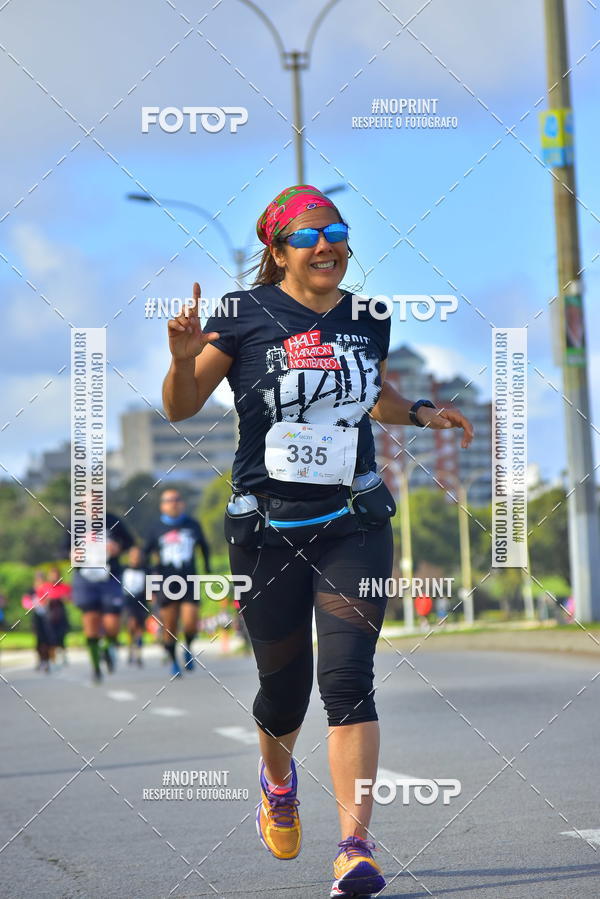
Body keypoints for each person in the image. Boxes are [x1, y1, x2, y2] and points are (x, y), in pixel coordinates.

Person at [162, 184, 474, 898]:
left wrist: (422, 412)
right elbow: (181, 406)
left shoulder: (369, 316)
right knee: (284, 693)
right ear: (278, 251)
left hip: (353, 520)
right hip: (265, 529)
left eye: (336, 230)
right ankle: (277, 779)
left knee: (347, 681)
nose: (328, 243)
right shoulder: (242, 313)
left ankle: (356, 846)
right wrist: (183, 360)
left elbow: (371, 393)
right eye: (309, 234)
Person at [144, 489, 211, 677]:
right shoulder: (155, 528)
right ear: (162, 505)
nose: (173, 503)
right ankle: (173, 661)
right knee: (170, 626)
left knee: (190, 623)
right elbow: (145, 555)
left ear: (182, 503)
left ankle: (188, 646)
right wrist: (150, 578)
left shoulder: (192, 525)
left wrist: (207, 568)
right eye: (168, 500)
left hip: (189, 579)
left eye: (177, 499)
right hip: (166, 582)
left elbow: (204, 547)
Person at [65, 511, 134, 682]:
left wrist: (118, 547)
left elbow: (130, 542)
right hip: (85, 578)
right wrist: (71, 555)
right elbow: (62, 549)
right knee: (91, 622)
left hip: (110, 577)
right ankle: (96, 668)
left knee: (112, 624)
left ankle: (108, 647)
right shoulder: (74, 523)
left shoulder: (113, 520)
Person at [121, 546, 150, 666]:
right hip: (128, 601)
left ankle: (138, 653)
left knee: (139, 628)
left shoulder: (146, 570)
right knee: (131, 625)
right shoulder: (123, 569)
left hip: (141, 601)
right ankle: (130, 648)